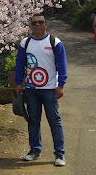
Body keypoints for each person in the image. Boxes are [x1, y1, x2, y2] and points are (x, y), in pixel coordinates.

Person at [14, 13, 68, 167]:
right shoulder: (25, 43)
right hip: (31, 89)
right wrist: (19, 82)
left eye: (40, 22)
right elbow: (20, 64)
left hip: (50, 89)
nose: (37, 25)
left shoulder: (54, 42)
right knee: (33, 120)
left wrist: (61, 85)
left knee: (54, 121)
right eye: (34, 23)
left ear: (46, 24)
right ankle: (34, 150)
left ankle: (60, 154)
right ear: (31, 26)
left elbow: (61, 65)